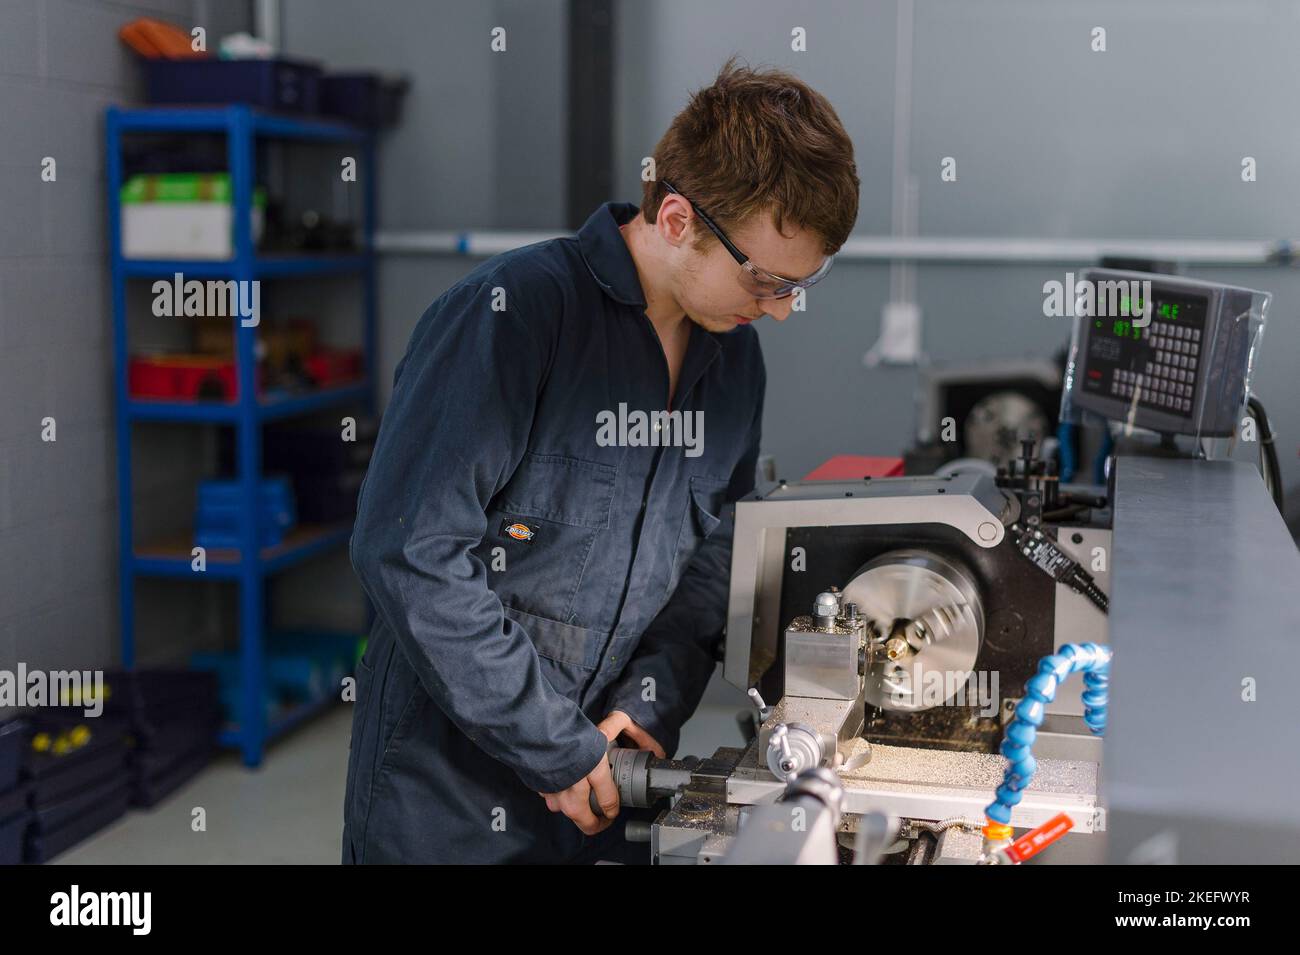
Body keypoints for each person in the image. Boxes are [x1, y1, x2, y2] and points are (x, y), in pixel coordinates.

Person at [342, 60, 859, 863]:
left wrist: (650, 704)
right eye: (765, 279)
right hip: (446, 794)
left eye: (801, 284)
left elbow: (712, 557)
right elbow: (411, 552)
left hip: (613, 782)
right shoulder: (514, 317)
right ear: (679, 219)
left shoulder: (732, 361)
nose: (782, 310)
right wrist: (553, 743)